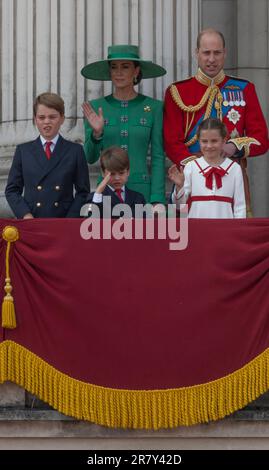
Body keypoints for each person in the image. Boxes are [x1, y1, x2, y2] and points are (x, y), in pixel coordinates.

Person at [164, 28, 269, 215]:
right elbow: (171, 142)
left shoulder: (244, 89)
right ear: (197, 53)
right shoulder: (177, 92)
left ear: (225, 53)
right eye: (206, 53)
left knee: (235, 238)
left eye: (217, 53)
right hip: (192, 179)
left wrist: (233, 147)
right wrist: (197, 167)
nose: (211, 59)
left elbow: (261, 139)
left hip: (233, 177)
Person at [81, 44, 166, 205]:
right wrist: (96, 134)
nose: (118, 72)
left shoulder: (154, 107)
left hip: (142, 192)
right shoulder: (95, 107)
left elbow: (157, 156)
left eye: (125, 67)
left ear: (136, 71)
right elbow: (89, 157)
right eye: (114, 67)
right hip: (106, 191)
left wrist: (157, 199)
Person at [5, 92, 90, 219]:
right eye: (41, 117)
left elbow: (83, 193)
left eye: (52, 117)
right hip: (33, 221)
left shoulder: (75, 151)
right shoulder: (23, 151)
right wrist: (25, 215)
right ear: (35, 120)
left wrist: (70, 219)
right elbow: (12, 191)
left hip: (63, 222)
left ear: (62, 118)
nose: (47, 122)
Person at [168, 118, 246, 219]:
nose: (209, 146)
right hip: (196, 229)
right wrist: (180, 187)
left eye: (214, 141)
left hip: (226, 230)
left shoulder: (235, 169)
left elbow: (240, 207)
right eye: (204, 141)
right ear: (199, 141)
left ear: (224, 141)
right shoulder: (191, 166)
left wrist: (237, 232)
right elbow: (179, 207)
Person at [87, 146, 146, 218]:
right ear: (103, 173)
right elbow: (88, 223)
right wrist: (98, 191)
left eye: (121, 173)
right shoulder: (95, 197)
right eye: (112, 174)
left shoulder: (138, 198)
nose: (117, 178)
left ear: (128, 172)